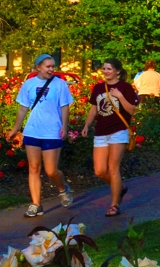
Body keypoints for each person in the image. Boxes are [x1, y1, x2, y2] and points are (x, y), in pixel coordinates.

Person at [8, 54, 76, 218]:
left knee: (51, 171)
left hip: (52, 131)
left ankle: (63, 188)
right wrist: (15, 129)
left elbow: (65, 107)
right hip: (33, 131)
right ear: (38, 67)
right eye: (48, 66)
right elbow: (23, 108)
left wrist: (64, 127)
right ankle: (36, 205)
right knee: (33, 168)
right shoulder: (29, 84)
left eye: (53, 66)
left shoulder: (60, 85)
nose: (51, 69)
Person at [82, 58, 140, 217]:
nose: (106, 71)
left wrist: (120, 96)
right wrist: (87, 125)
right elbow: (94, 109)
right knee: (100, 171)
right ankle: (120, 187)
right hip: (101, 131)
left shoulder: (125, 87)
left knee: (113, 168)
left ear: (117, 71)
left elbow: (132, 110)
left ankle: (114, 205)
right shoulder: (99, 87)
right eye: (104, 69)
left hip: (118, 130)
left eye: (109, 69)